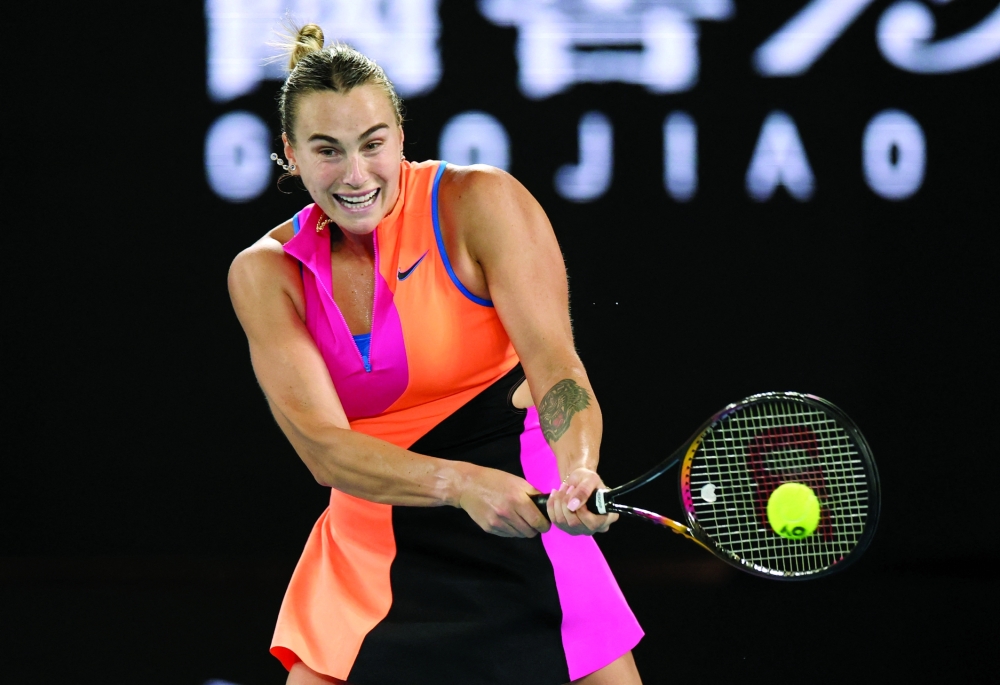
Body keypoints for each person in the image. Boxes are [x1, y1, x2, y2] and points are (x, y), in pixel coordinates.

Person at [228, 24, 643, 685]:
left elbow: (557, 370)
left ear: (399, 134)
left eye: (373, 144)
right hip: (374, 548)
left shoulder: (479, 203)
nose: (357, 175)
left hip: (529, 522)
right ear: (291, 154)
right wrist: (460, 484)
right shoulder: (266, 273)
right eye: (327, 151)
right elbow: (324, 449)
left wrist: (579, 467)